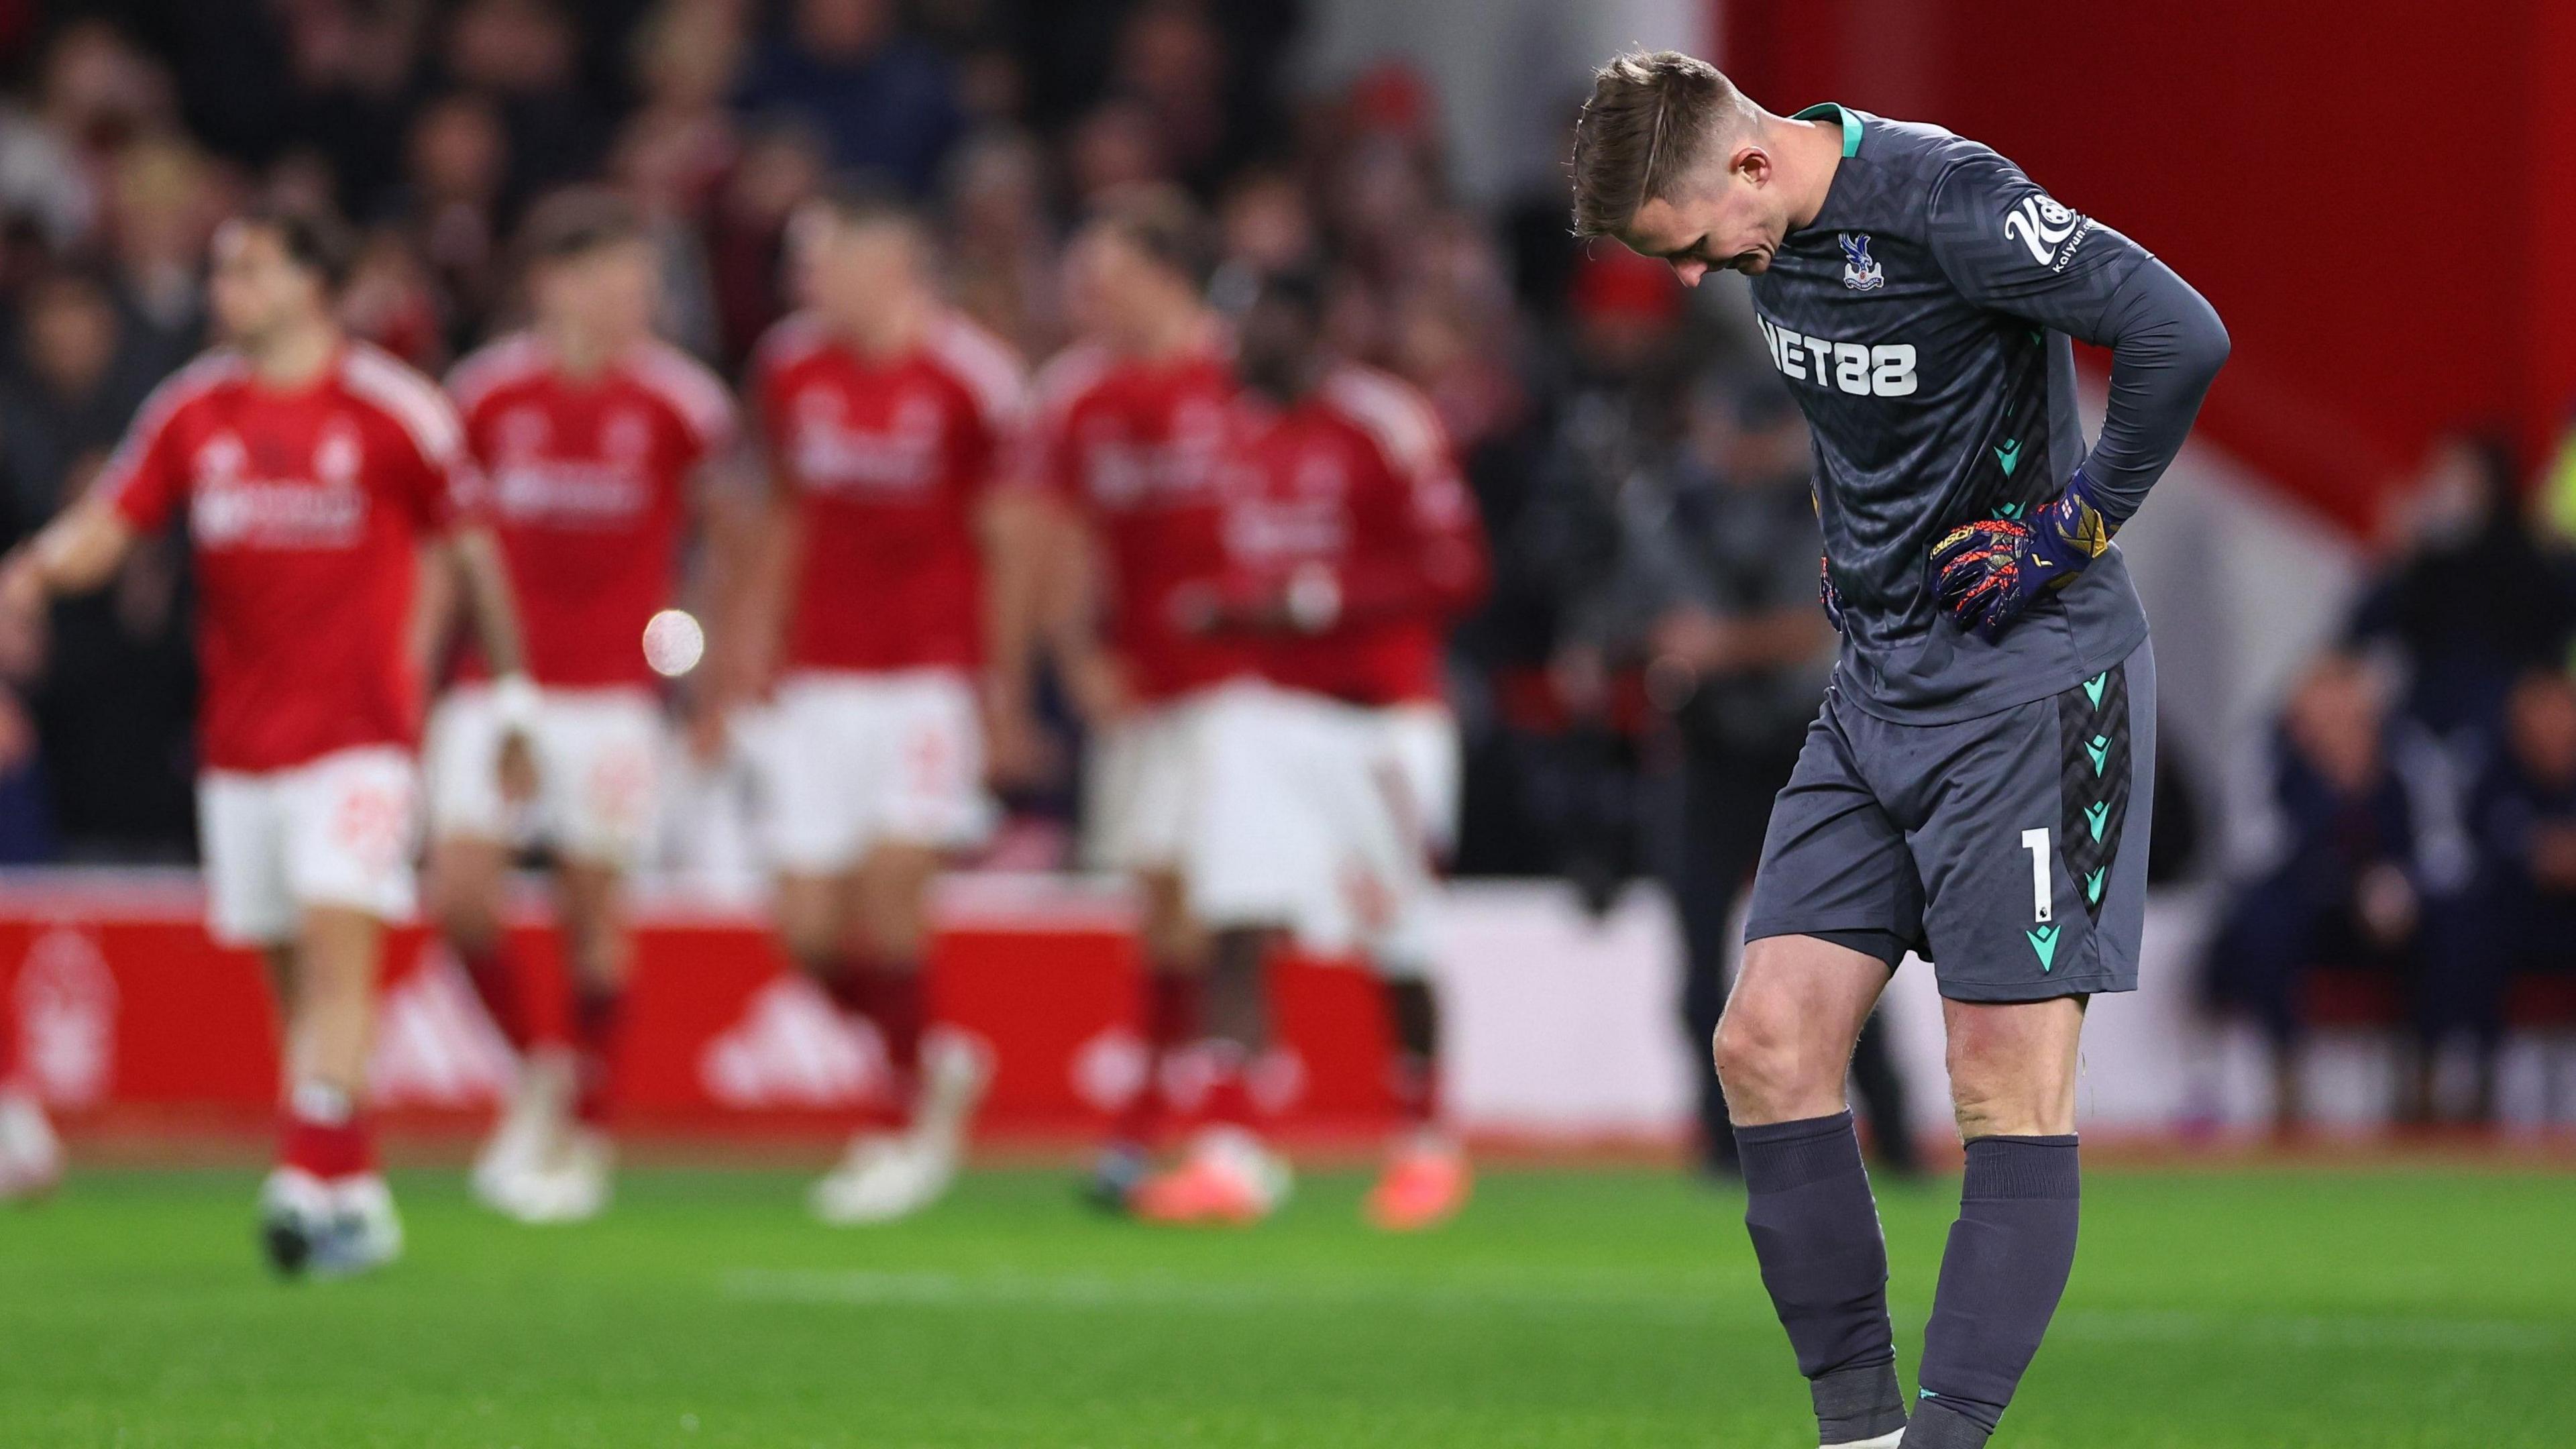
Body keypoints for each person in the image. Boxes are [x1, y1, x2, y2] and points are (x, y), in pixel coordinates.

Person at [1570, 51, 2227, 1449]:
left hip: (2032, 689)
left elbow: (2183, 331)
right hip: (1875, 693)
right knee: (1761, 1043)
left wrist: (2075, 525)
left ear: (1749, 165)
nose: (1693, 278)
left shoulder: (1949, 198)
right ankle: (1861, 1438)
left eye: (1686, 246)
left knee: (2000, 1080)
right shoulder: (1768, 240)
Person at [0, 207, 537, 1277]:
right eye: (220, 270)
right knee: (292, 976)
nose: (225, 290)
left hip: (361, 734)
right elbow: (117, 519)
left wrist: (510, 696)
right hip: (241, 741)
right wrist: (35, 569)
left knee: (343, 957)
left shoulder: (394, 411)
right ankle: (357, 1193)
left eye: (248, 270)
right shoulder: (194, 409)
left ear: (313, 282)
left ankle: (301, 1177)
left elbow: (473, 550)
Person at [1126, 269, 1488, 1228]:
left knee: (1399, 935)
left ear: (1308, 327)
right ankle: (1232, 1149)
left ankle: (1424, 1141)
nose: (1234, 345)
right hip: (1264, 709)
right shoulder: (1228, 428)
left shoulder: (1383, 422)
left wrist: (1312, 601)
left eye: (1253, 326)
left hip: (1378, 719)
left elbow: (1456, 567)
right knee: (1233, 920)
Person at [430, 188, 739, 1223]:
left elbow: (721, 546)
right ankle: (541, 1072)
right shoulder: (484, 398)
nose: (631, 302)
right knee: (461, 892)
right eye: (613, 280)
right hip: (499, 687)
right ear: (551, 284)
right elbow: (449, 552)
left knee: (594, 909)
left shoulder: (681, 406)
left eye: (642, 286)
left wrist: (694, 664)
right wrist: (418, 671)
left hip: (614, 693)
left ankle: (588, 1129)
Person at [732, 182, 1038, 1224]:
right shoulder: (789, 367)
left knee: (889, 893)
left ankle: (898, 1125)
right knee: (808, 932)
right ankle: (933, 1057)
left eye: (820, 262)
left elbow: (1006, 540)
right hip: (818, 680)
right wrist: (747, 640)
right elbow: (782, 512)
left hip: (925, 682)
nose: (802, 281)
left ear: (887, 265)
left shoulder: (972, 380)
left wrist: (1004, 689)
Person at [1604, 376, 1918, 1179]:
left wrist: (1717, 646)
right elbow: (1636, 621)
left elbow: (1819, 626)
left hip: (1804, 751)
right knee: (1700, 966)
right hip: (1706, 752)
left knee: (1840, 953)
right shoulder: (1668, 505)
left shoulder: (1821, 504)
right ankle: (1722, 1147)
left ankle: (1894, 1137)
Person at [1022, 187, 1253, 1208]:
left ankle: (1215, 1125)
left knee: (1222, 897)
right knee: (1160, 897)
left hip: (1243, 683)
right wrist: (1076, 657)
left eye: (1103, 279)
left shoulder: (1242, 377)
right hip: (1142, 685)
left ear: (1164, 278)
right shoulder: (1078, 397)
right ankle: (1174, 1115)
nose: (1087, 300)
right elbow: (1062, 539)